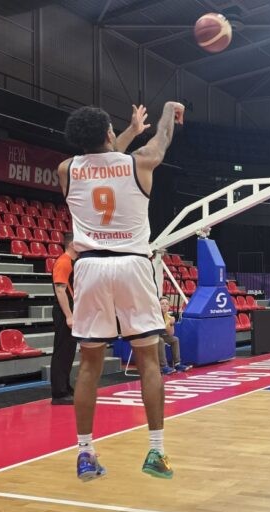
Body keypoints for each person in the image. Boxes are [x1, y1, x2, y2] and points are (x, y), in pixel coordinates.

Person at [58, 102, 181, 481]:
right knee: (148, 359)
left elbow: (101, 159)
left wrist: (126, 132)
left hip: (90, 267)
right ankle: (156, 451)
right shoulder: (139, 163)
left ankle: (85, 452)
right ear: (109, 134)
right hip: (132, 264)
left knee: (89, 365)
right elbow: (161, 140)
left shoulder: (66, 170)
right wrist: (167, 113)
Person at [50, 233, 78, 405]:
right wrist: (69, 316)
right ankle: (59, 393)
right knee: (62, 352)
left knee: (68, 352)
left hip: (71, 311)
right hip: (64, 312)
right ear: (72, 244)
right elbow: (60, 290)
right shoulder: (63, 262)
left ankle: (65, 387)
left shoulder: (73, 262)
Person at [156, 297, 185, 374]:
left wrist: (171, 324)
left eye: (167, 304)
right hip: (152, 335)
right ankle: (163, 366)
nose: (165, 305)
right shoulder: (155, 316)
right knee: (160, 340)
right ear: (158, 305)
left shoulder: (168, 317)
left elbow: (171, 334)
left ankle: (177, 364)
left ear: (169, 307)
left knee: (175, 339)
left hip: (161, 335)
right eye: (162, 304)